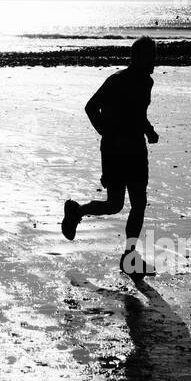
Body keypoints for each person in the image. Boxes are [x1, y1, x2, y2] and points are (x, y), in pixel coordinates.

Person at [62, 36, 160, 275]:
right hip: (115, 152)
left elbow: (138, 114)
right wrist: (108, 134)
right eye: (150, 58)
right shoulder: (116, 81)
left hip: (137, 150)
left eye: (154, 57)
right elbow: (90, 107)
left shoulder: (147, 82)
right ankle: (77, 211)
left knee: (139, 204)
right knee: (115, 205)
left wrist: (149, 131)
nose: (154, 63)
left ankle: (130, 258)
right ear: (136, 58)